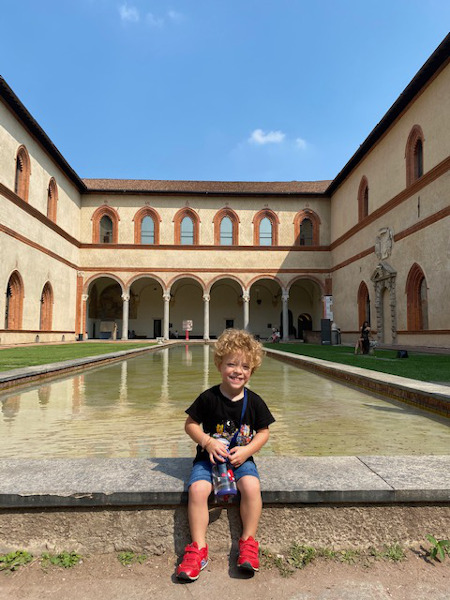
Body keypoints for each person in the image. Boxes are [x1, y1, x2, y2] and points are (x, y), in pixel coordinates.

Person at [176, 329, 275, 581]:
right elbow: (190, 425)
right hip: (208, 461)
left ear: (252, 371)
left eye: (245, 366)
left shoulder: (254, 401)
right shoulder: (209, 397)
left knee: (252, 486)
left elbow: (263, 433)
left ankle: (248, 542)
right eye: (231, 364)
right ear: (219, 365)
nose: (237, 371)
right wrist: (207, 442)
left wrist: (247, 450)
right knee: (198, 490)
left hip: (241, 460)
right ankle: (198, 548)